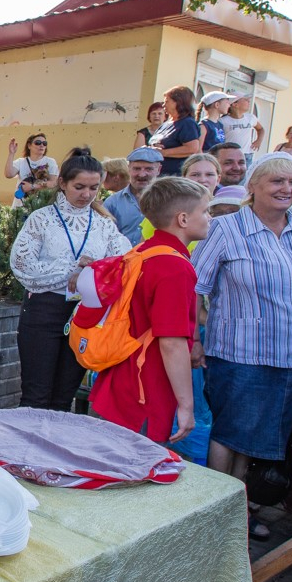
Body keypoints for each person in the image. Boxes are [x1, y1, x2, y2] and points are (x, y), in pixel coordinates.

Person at [193, 154, 292, 539]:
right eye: (276, 182)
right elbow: (195, 287)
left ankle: (240, 508)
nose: (286, 190)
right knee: (231, 431)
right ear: (253, 186)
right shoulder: (225, 228)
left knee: (261, 438)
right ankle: (215, 510)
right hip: (239, 350)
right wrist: (194, 338)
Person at [90, 177, 212, 444]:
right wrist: (186, 405)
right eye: (204, 211)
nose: (209, 218)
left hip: (120, 381)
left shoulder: (142, 251)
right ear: (182, 219)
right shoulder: (174, 266)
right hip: (146, 390)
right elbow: (171, 342)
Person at [9, 148, 130, 411]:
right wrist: (72, 267)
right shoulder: (41, 219)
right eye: (79, 187)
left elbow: (122, 263)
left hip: (86, 315)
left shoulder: (104, 224)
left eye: (93, 188)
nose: (86, 195)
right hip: (44, 311)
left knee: (64, 398)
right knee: (35, 397)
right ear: (62, 183)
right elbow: (23, 267)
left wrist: (93, 269)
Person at [103, 146, 162, 245]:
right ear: (128, 168)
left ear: (159, 170)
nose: (142, 174)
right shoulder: (112, 203)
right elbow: (104, 237)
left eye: (148, 169)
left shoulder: (169, 201)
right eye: (137, 169)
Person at [148, 85, 202, 176]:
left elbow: (192, 148)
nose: (163, 105)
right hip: (157, 174)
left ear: (178, 102)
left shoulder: (187, 123)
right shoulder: (166, 124)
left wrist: (164, 153)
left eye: (167, 101)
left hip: (174, 175)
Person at [4, 133, 58, 208]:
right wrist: (11, 153)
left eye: (44, 143)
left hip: (41, 207)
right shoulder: (21, 162)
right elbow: (8, 174)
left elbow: (54, 183)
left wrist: (32, 186)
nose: (42, 145)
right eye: (38, 143)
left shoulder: (50, 162)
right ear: (29, 145)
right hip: (20, 206)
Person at [221, 95, 264, 163]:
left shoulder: (251, 118)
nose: (248, 101)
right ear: (235, 104)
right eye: (245, 100)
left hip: (247, 155)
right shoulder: (223, 121)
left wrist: (259, 141)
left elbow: (261, 129)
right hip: (230, 155)